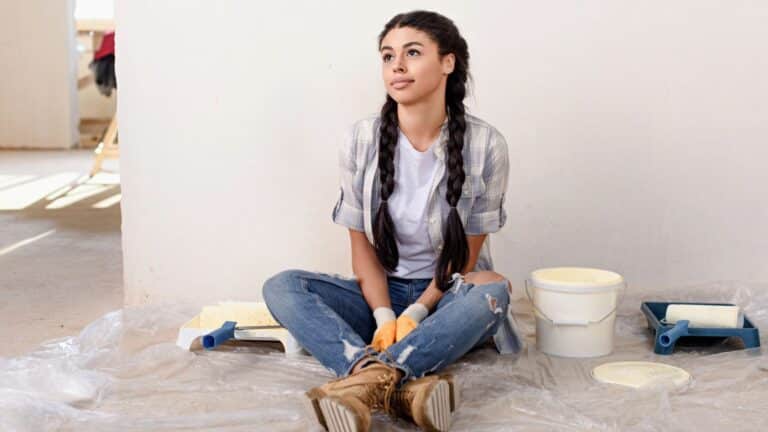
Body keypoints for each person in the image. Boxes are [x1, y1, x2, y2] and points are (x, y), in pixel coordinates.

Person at [263, 10, 519, 432]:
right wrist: (385, 316)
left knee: (492, 291)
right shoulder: (361, 140)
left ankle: (364, 382)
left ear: (447, 63)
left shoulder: (486, 145)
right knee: (282, 287)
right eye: (387, 56)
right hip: (378, 295)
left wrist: (418, 311)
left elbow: (466, 256)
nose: (396, 66)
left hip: (446, 299)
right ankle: (395, 384)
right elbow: (361, 248)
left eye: (412, 53)